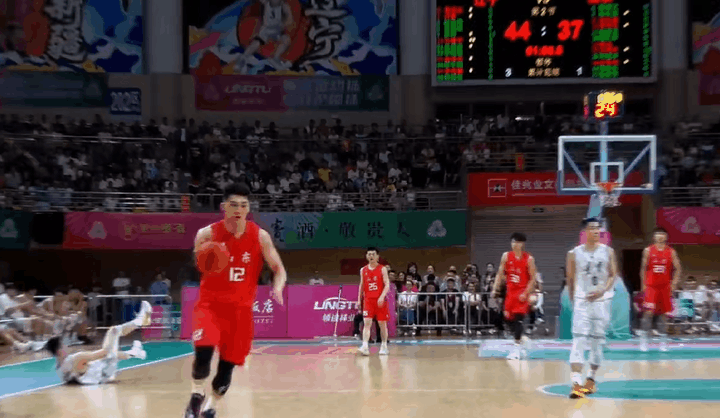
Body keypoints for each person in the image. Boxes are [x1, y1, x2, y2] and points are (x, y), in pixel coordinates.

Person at [184, 183, 287, 418]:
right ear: (224, 207)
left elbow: (279, 269)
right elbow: (197, 265)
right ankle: (196, 395)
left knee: (226, 370)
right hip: (210, 306)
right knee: (203, 353)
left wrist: (277, 287)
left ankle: (211, 406)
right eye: (233, 205)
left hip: (240, 312)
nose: (239, 209)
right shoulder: (207, 234)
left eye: (243, 205)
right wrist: (208, 258)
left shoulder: (260, 236)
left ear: (248, 208)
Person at [567, 218, 618, 399]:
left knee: (597, 342)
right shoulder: (574, 253)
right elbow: (570, 279)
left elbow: (613, 274)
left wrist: (602, 291)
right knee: (579, 340)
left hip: (602, 301)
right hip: (582, 301)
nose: (596, 231)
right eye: (592, 228)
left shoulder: (608, 251)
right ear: (585, 232)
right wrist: (574, 301)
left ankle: (591, 379)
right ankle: (576, 383)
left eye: (598, 228)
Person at [46, 301, 152, 385]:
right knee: (114, 331)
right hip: (105, 372)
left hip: (99, 377)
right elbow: (104, 352)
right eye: (63, 345)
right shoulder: (75, 358)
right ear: (59, 351)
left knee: (110, 353)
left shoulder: (59, 368)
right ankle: (139, 321)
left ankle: (134, 353)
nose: (66, 346)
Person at [491, 232, 538, 359]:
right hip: (510, 293)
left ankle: (516, 350)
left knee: (518, 319)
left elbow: (533, 279)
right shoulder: (506, 256)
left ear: (522, 244)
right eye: (512, 242)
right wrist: (495, 288)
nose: (514, 244)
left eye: (516, 242)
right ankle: (521, 338)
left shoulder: (529, 259)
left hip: (522, 293)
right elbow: (500, 273)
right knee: (506, 318)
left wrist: (526, 293)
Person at [639, 227, 682, 351]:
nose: (660, 236)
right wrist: (643, 285)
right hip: (651, 287)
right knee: (648, 313)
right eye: (658, 234)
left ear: (666, 237)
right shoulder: (648, 250)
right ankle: (643, 341)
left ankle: (663, 342)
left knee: (663, 315)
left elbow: (678, 268)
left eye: (662, 234)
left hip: (665, 288)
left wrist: (674, 284)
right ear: (654, 237)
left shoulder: (671, 252)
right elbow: (643, 269)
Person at [357, 247, 390, 356]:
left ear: (377, 256)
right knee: (367, 323)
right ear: (367, 256)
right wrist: (359, 300)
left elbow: (387, 284)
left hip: (380, 301)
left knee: (382, 324)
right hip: (368, 301)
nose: (371, 256)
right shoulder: (363, 270)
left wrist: (382, 296)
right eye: (369, 254)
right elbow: (361, 286)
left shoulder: (382, 269)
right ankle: (365, 346)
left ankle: (384, 346)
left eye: (373, 254)